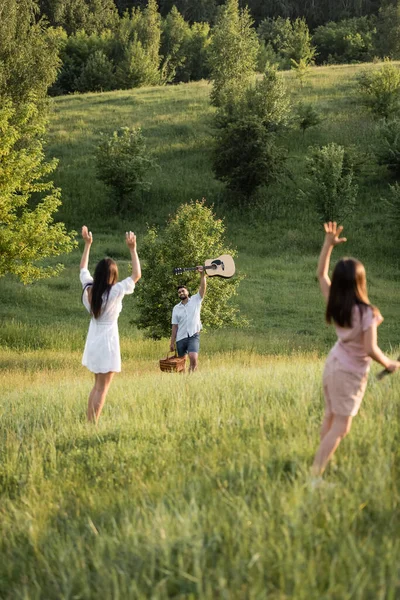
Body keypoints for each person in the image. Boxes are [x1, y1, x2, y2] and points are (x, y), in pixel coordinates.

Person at [312, 222, 400, 478]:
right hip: (349, 373)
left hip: (333, 364)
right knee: (341, 426)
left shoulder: (335, 302)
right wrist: (389, 364)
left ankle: (320, 464)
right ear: (361, 282)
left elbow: (321, 275)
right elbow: (370, 348)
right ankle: (315, 477)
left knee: (330, 417)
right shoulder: (367, 312)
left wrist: (328, 245)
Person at [80, 226, 141, 423]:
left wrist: (87, 245)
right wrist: (132, 249)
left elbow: (83, 269)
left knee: (97, 386)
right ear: (112, 275)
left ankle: (90, 422)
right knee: (102, 388)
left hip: (94, 340)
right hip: (107, 341)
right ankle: (93, 424)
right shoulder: (115, 292)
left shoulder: (89, 289)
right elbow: (136, 275)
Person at [169, 267, 207, 372]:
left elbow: (203, 288)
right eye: (179, 292)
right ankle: (183, 383)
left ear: (187, 292)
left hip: (193, 335)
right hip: (180, 337)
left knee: (193, 358)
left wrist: (202, 275)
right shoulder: (176, 308)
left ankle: (191, 379)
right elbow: (174, 326)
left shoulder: (196, 300)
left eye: (183, 291)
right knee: (181, 364)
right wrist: (172, 343)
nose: (181, 293)